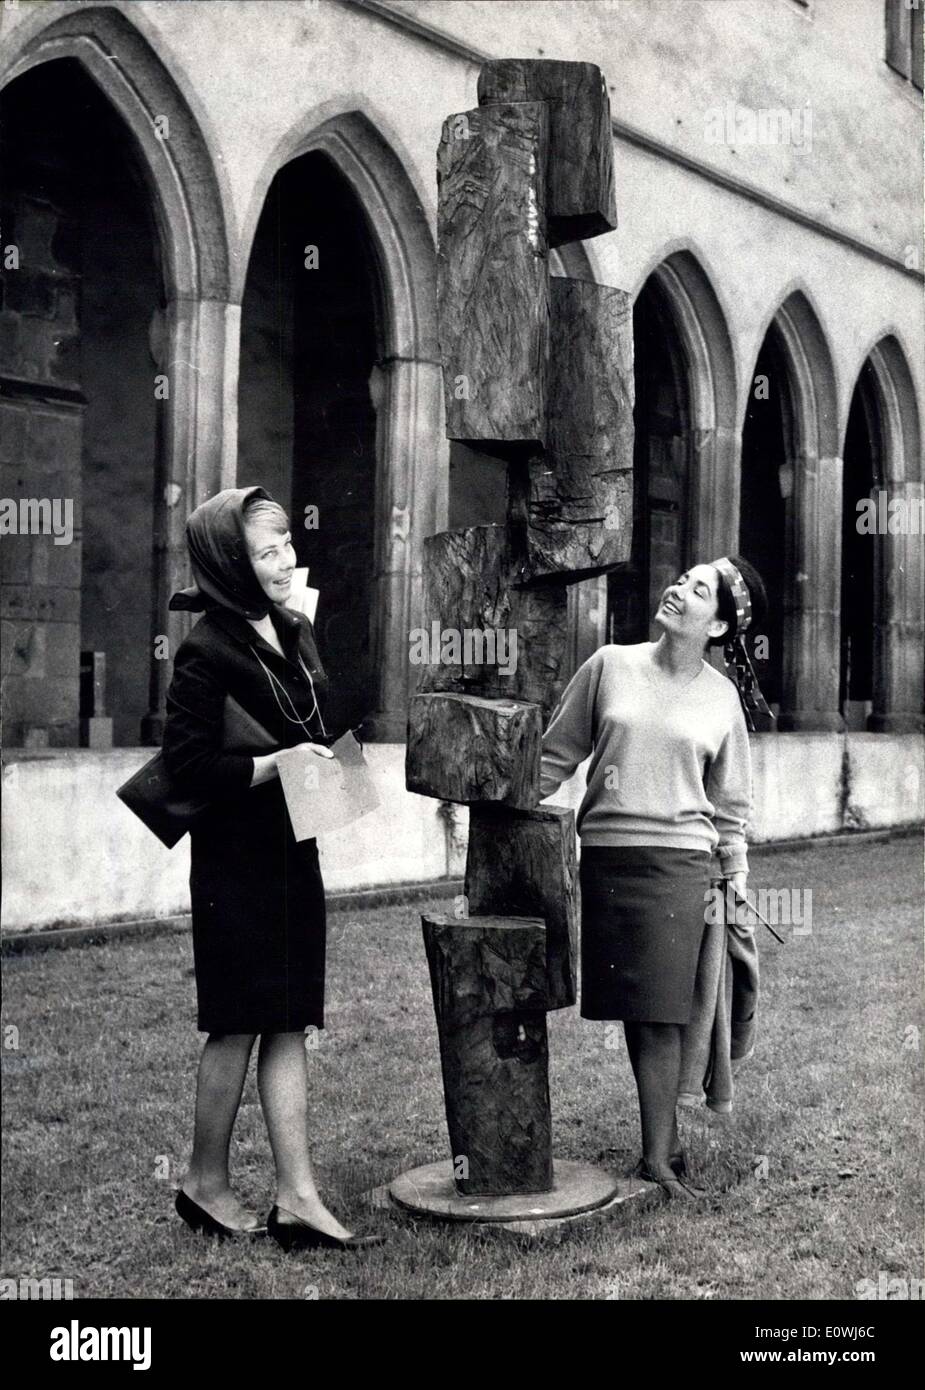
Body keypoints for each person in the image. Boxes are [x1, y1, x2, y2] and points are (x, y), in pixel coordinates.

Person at [161, 485, 382, 1250]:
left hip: (293, 848)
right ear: (230, 563)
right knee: (236, 1024)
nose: (284, 558)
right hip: (236, 862)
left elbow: (320, 723)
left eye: (286, 542)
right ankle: (203, 1183)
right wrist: (272, 764)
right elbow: (187, 766)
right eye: (264, 551)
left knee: (289, 1019)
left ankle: (297, 1197)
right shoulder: (204, 648)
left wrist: (305, 647)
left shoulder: (289, 629)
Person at [538, 556, 771, 1200]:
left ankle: (657, 1159)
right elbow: (557, 754)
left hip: (682, 865)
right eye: (682, 579)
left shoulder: (722, 699)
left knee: (667, 1013)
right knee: (640, 1011)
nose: (677, 589)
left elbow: (730, 806)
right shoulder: (610, 664)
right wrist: (506, 820)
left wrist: (737, 875)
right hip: (610, 860)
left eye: (699, 590)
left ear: (719, 624)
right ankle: (661, 1141)